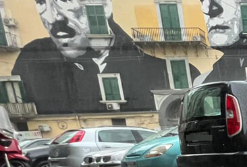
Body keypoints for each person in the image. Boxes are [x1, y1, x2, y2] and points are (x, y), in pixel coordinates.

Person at [13, 0, 200, 116]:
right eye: (41, 3)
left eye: (65, 1)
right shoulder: (31, 60)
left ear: (105, 6)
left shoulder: (158, 67)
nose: (54, 17)